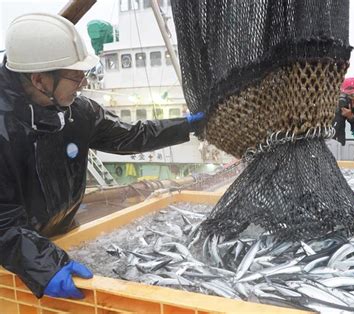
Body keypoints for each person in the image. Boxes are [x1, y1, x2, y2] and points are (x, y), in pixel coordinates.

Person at [0, 13, 205, 299]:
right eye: (76, 75)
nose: (83, 83)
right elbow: (3, 222)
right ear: (39, 80)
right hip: (13, 263)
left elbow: (131, 135)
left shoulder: (77, 112)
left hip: (63, 239)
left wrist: (187, 126)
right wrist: (42, 264)